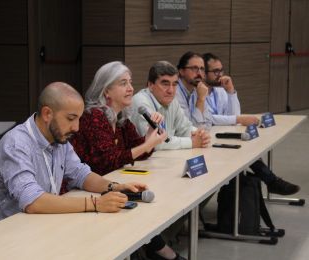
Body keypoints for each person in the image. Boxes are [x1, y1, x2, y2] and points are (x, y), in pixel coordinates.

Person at [0, 82, 148, 228]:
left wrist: (114, 187)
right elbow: (32, 202)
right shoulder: (16, 144)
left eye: (79, 119)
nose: (77, 128)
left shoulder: (59, 138)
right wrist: (95, 204)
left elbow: (81, 174)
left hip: (38, 226)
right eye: (71, 118)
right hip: (1, 234)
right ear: (47, 114)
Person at [68, 62, 184, 260]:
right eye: (123, 83)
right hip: (83, 189)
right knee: (135, 201)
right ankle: (162, 253)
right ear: (106, 91)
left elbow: (139, 151)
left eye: (130, 82)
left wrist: (149, 136)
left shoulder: (121, 117)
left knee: (144, 196)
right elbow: (106, 162)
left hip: (109, 183)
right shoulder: (93, 117)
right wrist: (147, 145)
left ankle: (158, 251)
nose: (130, 88)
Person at [177, 51, 300, 195]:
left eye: (202, 69)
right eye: (215, 71)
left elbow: (216, 119)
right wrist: (203, 102)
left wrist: (230, 91)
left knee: (244, 150)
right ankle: (269, 182)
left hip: (206, 136)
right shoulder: (192, 93)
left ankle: (265, 184)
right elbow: (199, 125)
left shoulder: (210, 90)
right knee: (240, 153)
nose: (220, 75)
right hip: (193, 142)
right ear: (181, 71)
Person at [131, 60, 211, 150]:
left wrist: (200, 134)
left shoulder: (172, 101)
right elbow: (154, 143)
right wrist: (191, 142)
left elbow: (184, 128)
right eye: (165, 84)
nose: (171, 91)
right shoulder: (141, 103)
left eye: (174, 84)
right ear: (150, 85)